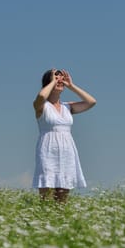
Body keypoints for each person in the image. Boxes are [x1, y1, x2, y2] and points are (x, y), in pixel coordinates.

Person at [32, 69, 96, 202]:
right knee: (47, 193)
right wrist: (52, 83)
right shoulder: (42, 106)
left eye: (61, 77)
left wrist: (71, 86)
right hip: (48, 151)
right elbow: (42, 97)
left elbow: (91, 102)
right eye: (55, 77)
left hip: (67, 152)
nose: (60, 79)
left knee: (62, 197)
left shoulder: (68, 107)